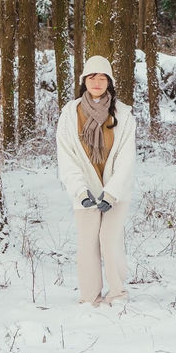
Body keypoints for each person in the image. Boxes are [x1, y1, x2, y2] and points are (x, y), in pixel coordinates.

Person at [56, 55, 136, 306]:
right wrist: (80, 191)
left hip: (115, 191)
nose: (97, 82)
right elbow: (66, 155)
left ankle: (118, 293)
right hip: (85, 192)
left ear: (109, 82)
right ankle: (89, 297)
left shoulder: (124, 115)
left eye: (103, 78)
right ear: (84, 81)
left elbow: (126, 158)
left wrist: (112, 193)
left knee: (109, 241)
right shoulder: (70, 114)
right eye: (92, 77)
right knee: (87, 246)